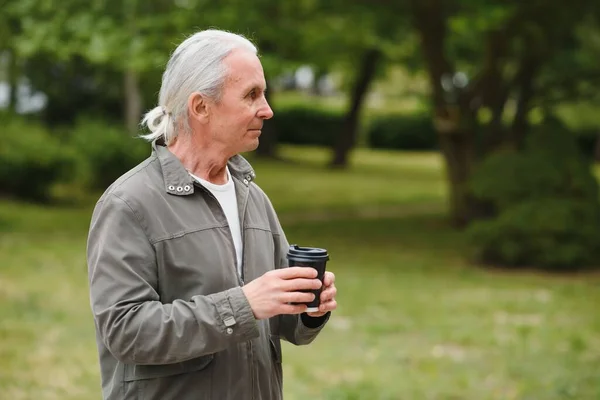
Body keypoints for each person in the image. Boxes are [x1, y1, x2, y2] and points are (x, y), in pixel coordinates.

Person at [86, 29, 337, 400]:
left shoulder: (252, 197)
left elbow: (278, 318)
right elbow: (127, 331)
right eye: (252, 94)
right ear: (201, 106)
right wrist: (244, 304)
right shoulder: (129, 204)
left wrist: (309, 308)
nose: (267, 109)